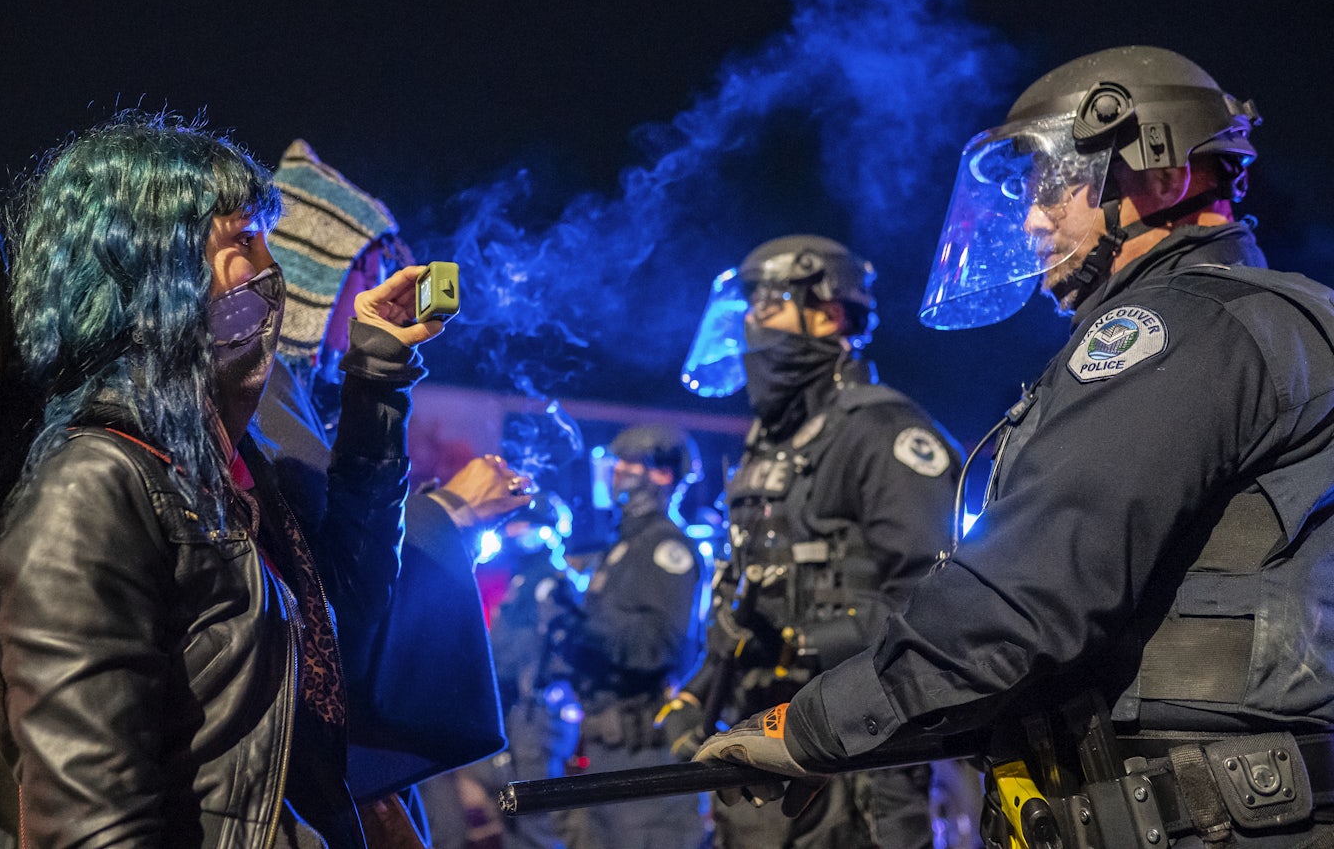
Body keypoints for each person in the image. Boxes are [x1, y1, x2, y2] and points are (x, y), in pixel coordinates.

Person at [695, 46, 1334, 848]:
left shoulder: (1175, 328)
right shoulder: (1270, 319)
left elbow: (1030, 591)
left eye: (1054, 185)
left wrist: (816, 723)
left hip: (1212, 820)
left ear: (1162, 175)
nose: (1032, 219)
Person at [0, 112, 441, 847]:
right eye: (244, 242)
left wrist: (375, 380)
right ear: (155, 269)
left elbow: (349, 619)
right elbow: (94, 826)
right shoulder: (93, 488)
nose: (274, 274)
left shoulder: (234, 468)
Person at [252, 139, 527, 844]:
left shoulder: (290, 395)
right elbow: (331, 597)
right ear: (314, 275)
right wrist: (451, 511)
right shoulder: (260, 394)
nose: (379, 293)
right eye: (367, 272)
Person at [671, 234, 960, 848]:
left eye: (768, 307)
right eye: (747, 311)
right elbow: (749, 591)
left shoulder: (881, 429)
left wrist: (814, 639)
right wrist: (701, 691)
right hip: (761, 750)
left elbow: (940, 604)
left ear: (828, 312)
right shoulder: (767, 444)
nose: (752, 326)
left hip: (854, 756)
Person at [555, 424, 709, 849]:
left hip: (644, 751)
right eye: (615, 462)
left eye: (630, 463)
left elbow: (659, 646)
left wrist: (584, 626)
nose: (617, 471)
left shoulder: (666, 547)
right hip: (604, 746)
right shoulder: (620, 545)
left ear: (661, 475)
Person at [476, 493, 585, 849]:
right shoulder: (523, 581)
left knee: (538, 820)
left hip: (538, 714)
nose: (514, 531)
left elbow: (522, 653)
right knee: (512, 813)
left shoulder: (552, 583)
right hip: (519, 712)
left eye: (524, 524)